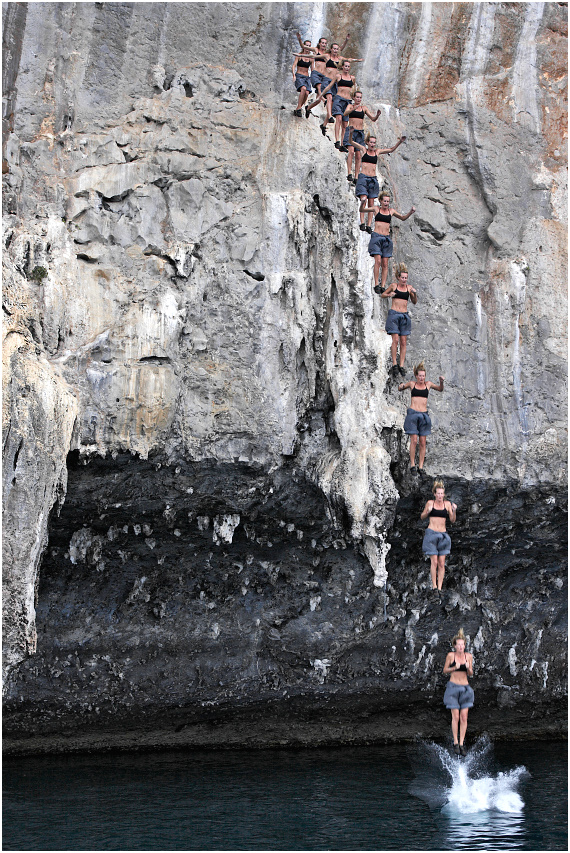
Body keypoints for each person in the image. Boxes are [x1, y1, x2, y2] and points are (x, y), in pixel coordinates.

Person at [397, 361, 444, 474]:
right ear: (416, 376)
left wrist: (441, 382)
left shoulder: (428, 384)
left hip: (424, 415)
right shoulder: (412, 384)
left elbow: (440, 389)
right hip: (413, 414)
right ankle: (413, 464)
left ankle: (421, 467)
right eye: (420, 376)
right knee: (414, 440)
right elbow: (401, 388)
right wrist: (401, 386)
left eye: (423, 376)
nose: (422, 378)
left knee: (423, 442)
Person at [305, 44, 362, 132]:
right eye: (334, 49)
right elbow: (314, 56)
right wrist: (300, 55)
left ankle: (323, 124)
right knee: (328, 97)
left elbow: (349, 60)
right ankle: (330, 116)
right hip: (327, 80)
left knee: (330, 104)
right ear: (331, 49)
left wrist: (359, 60)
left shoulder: (340, 59)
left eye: (337, 49)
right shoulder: (327, 56)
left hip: (335, 83)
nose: (335, 50)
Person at [379, 263, 416, 375]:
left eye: (406, 278)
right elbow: (383, 295)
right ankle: (394, 363)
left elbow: (414, 302)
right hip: (394, 314)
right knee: (395, 340)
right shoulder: (394, 286)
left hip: (404, 315)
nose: (404, 280)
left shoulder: (409, 288)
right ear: (398, 277)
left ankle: (401, 365)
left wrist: (414, 294)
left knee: (403, 341)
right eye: (402, 277)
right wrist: (390, 294)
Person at [310, 59, 356, 149]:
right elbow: (329, 86)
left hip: (348, 102)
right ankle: (337, 141)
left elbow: (353, 90)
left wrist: (355, 100)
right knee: (338, 118)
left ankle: (342, 144)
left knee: (345, 124)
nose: (347, 68)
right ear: (342, 67)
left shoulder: (352, 78)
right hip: (339, 99)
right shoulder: (338, 76)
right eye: (345, 66)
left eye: (348, 66)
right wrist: (321, 95)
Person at [420, 479, 457, 591]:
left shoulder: (447, 504)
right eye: (438, 493)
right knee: (434, 561)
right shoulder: (430, 503)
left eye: (442, 493)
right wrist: (427, 512)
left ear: (443, 494)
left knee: (441, 563)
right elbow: (422, 517)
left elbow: (452, 520)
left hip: (443, 535)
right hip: (431, 534)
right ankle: (434, 586)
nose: (440, 495)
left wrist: (454, 511)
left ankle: (440, 587)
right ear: (435, 494)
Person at [443, 629, 474, 756]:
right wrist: (453, 668)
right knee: (455, 716)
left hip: (466, 688)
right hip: (453, 688)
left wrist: (468, 668)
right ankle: (455, 742)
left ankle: (461, 744)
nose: (461, 647)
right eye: (459, 645)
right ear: (455, 646)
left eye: (463, 645)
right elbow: (445, 670)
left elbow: (471, 674)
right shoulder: (451, 656)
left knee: (464, 717)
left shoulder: (469, 656)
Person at [343, 93, 381, 182]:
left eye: (360, 97)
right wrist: (353, 109)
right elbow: (345, 113)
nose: (359, 99)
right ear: (353, 98)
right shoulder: (350, 106)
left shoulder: (364, 108)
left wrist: (377, 115)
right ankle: (349, 173)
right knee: (351, 151)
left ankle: (356, 176)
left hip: (360, 132)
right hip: (351, 130)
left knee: (359, 155)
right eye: (357, 97)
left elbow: (373, 119)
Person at [292, 42, 314, 116]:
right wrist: (293, 75)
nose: (307, 47)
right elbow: (294, 65)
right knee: (303, 89)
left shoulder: (311, 58)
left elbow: (312, 70)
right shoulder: (299, 56)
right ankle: (298, 108)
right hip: (299, 76)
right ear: (303, 46)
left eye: (309, 46)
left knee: (307, 92)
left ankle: (299, 108)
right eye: (306, 45)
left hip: (307, 77)